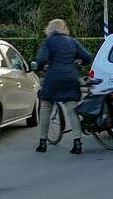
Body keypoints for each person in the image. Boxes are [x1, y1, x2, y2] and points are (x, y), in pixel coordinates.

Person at [35, 19, 92, 155]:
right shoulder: (72, 41)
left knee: (45, 107)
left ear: (49, 29)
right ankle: (77, 142)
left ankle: (42, 142)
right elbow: (87, 57)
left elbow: (41, 60)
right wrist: (78, 62)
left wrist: (42, 66)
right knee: (72, 109)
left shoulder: (49, 41)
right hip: (71, 78)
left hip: (53, 78)